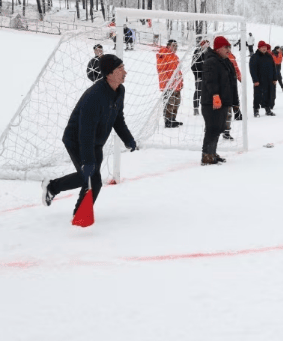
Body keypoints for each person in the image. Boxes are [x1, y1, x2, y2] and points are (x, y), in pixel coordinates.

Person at [41, 55, 138, 216]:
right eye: (120, 69)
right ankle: (54, 189)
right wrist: (87, 160)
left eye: (124, 68)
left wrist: (128, 139)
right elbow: (85, 131)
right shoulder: (94, 96)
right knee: (88, 176)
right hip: (77, 140)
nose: (125, 72)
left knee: (94, 181)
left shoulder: (120, 90)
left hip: (96, 142)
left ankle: (78, 213)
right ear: (109, 74)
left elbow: (117, 119)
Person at [199, 36, 239, 165]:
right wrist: (215, 95)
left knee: (219, 128)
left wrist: (235, 102)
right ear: (218, 48)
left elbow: (233, 83)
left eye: (229, 47)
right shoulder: (211, 61)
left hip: (224, 101)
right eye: (226, 47)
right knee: (212, 128)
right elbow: (210, 81)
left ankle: (212, 153)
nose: (228, 49)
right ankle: (207, 155)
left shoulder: (227, 61)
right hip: (211, 102)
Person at [156, 39, 184, 128]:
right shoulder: (163, 54)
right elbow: (161, 69)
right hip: (168, 84)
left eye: (176, 46)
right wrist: (167, 82)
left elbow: (178, 70)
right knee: (169, 102)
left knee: (176, 102)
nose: (175, 48)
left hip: (176, 84)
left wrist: (180, 81)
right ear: (168, 46)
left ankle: (173, 119)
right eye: (173, 46)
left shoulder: (175, 56)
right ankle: (168, 121)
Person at [249, 41, 278, 117]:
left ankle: (267, 109)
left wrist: (275, 78)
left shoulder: (269, 56)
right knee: (257, 95)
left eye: (265, 47)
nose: (264, 49)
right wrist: (255, 80)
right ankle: (256, 110)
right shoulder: (254, 57)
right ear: (259, 48)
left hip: (269, 79)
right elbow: (252, 70)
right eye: (262, 47)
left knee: (268, 94)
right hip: (259, 80)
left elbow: (274, 68)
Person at [191, 38, 209, 115]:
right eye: (206, 44)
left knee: (208, 92)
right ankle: (196, 108)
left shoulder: (209, 52)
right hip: (199, 76)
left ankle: (206, 108)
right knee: (198, 92)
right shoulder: (197, 52)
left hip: (208, 77)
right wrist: (197, 75)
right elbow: (193, 66)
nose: (208, 46)